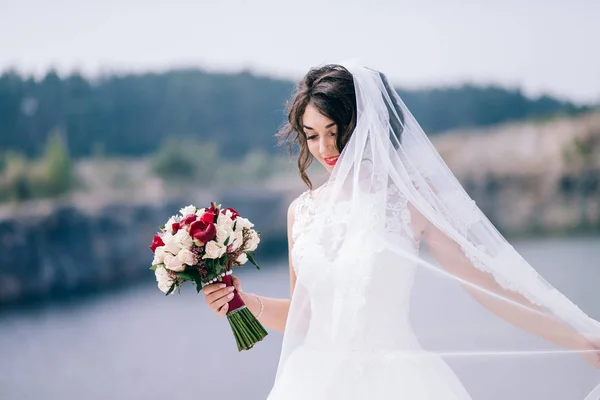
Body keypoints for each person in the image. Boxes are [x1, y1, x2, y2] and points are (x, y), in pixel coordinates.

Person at [203, 62, 600, 399]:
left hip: (396, 383)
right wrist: (243, 300)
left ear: (364, 125)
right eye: (312, 135)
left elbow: (488, 287)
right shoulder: (301, 213)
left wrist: (582, 340)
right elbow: (306, 320)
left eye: (334, 130)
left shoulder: (410, 200)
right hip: (312, 384)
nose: (325, 148)